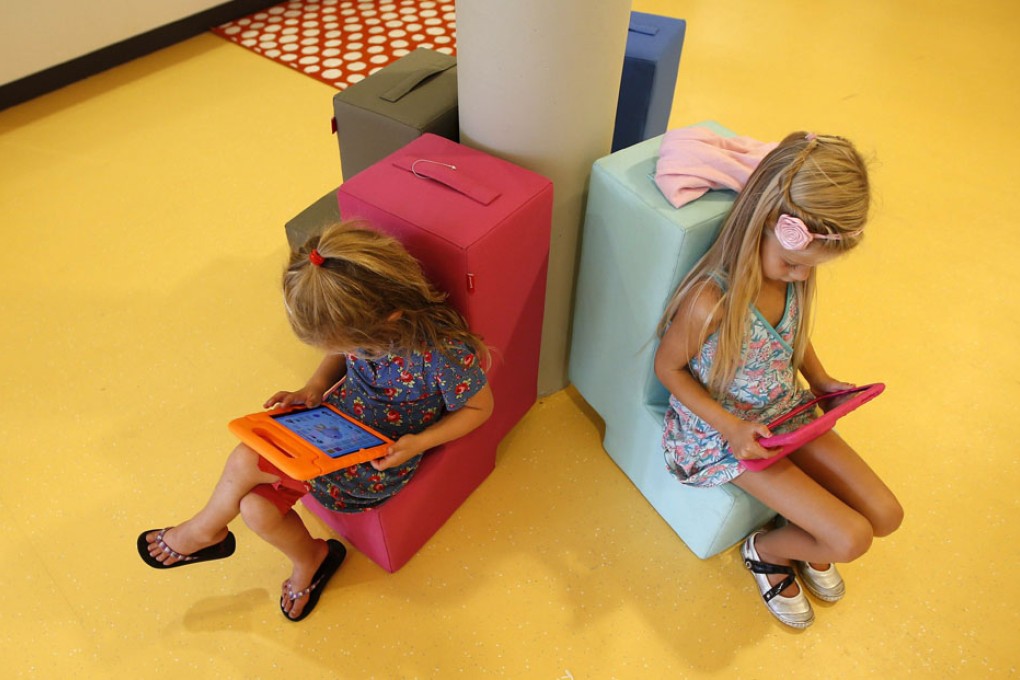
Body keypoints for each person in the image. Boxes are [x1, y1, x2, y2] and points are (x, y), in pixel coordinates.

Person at [137, 222, 494, 622]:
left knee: (245, 461)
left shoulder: (444, 354)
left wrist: (419, 443)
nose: (347, 353)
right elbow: (341, 353)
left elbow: (480, 409)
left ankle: (203, 533)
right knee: (255, 510)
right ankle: (311, 558)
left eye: (351, 346)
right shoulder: (370, 322)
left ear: (389, 318)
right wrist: (314, 387)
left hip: (373, 462)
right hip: (332, 426)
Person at [653, 132, 903, 629]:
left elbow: (789, 336)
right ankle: (766, 549)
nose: (798, 278)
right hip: (724, 439)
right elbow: (668, 369)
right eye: (792, 264)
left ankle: (808, 532)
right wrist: (730, 427)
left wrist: (821, 379)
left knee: (886, 516)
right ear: (764, 226)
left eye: (807, 269)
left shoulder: (792, 274)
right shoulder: (712, 301)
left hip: (787, 411)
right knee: (849, 539)